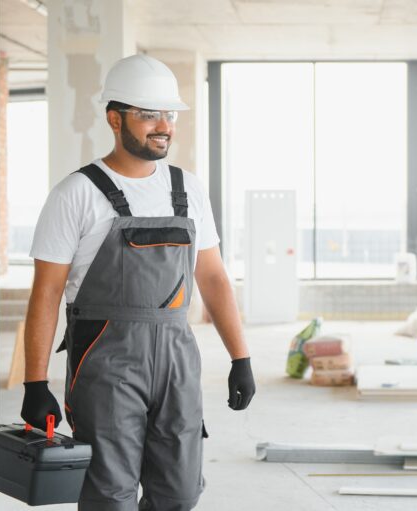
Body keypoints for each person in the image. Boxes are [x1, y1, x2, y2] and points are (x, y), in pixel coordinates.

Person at [20, 54, 255, 510]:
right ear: (114, 117)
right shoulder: (77, 193)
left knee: (181, 493)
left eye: (168, 114)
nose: (163, 125)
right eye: (149, 114)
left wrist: (240, 356)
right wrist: (34, 383)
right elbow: (46, 293)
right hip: (105, 360)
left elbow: (212, 276)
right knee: (109, 495)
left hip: (176, 358)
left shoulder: (187, 188)